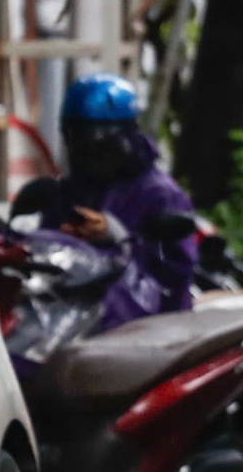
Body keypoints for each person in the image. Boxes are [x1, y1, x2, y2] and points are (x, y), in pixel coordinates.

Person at [38, 73, 198, 331]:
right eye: (76, 143)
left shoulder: (160, 195)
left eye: (96, 145)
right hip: (74, 326)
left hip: (150, 333)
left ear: (126, 138)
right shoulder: (69, 191)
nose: (86, 156)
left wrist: (118, 237)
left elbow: (174, 279)